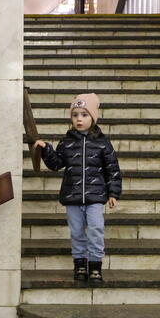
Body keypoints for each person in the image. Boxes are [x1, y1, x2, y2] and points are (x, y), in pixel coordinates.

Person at [34, 93, 122, 284]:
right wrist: (46, 150)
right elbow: (56, 164)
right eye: (75, 115)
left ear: (93, 117)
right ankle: (80, 265)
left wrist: (113, 193)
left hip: (96, 197)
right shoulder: (66, 142)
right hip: (72, 196)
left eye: (84, 114)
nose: (79, 119)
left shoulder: (102, 143)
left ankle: (95, 266)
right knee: (77, 232)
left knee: (96, 229)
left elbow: (112, 169)